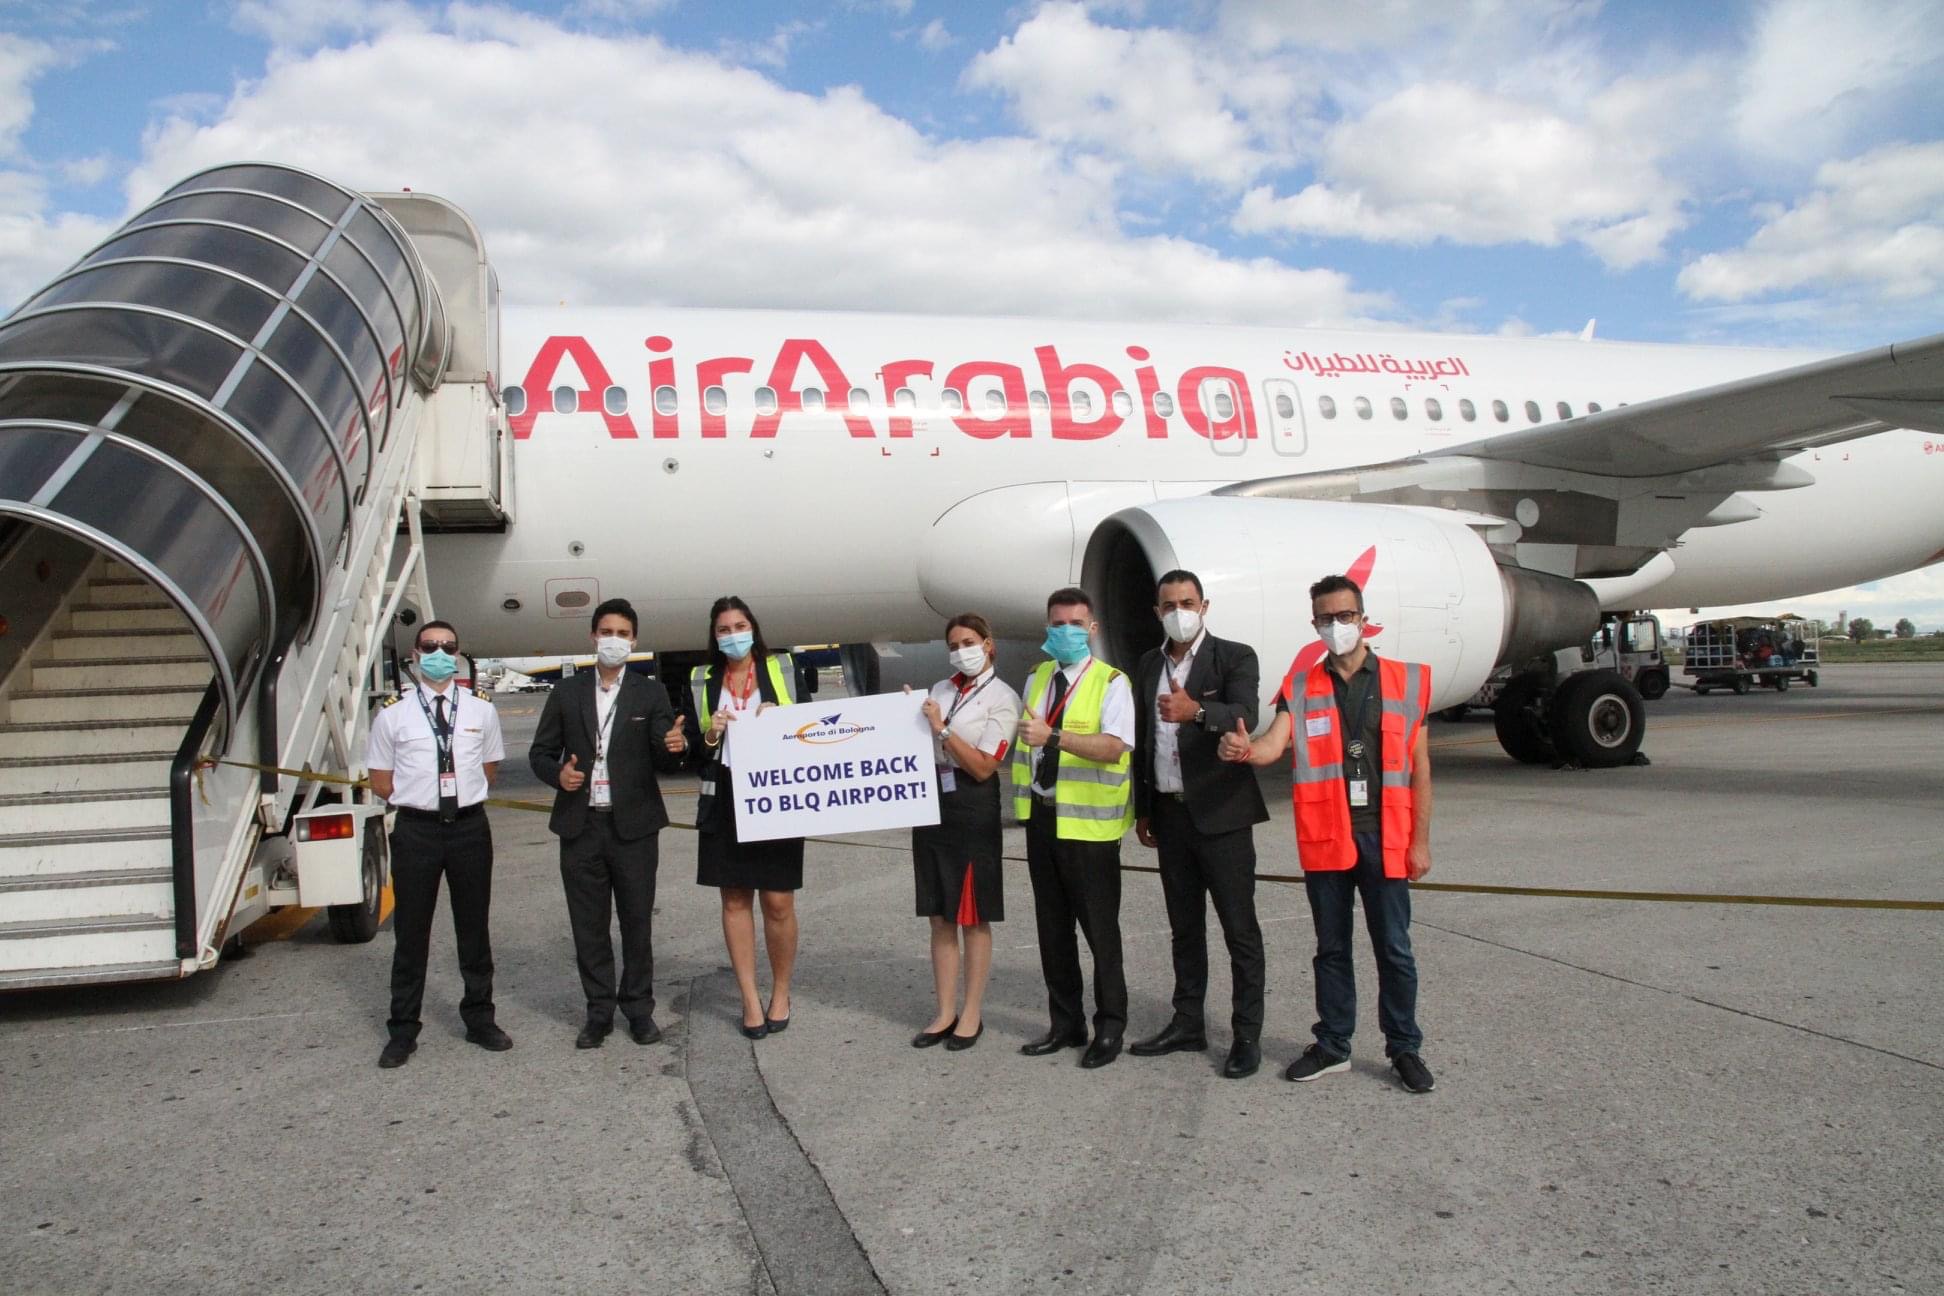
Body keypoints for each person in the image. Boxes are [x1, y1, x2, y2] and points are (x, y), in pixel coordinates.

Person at [1219, 573, 1437, 1094]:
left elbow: (1420, 769)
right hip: (1328, 838)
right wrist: (1245, 750)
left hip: (1386, 836)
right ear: (1313, 623)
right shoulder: (1300, 687)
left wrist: (1420, 841)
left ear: (1363, 619)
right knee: (1331, 949)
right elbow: (1274, 746)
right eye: (1326, 618)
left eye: (1345, 616)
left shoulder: (1406, 681)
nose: (1337, 625)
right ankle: (1334, 1044)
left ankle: (1404, 1047)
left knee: (1395, 949)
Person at [1129, 570, 1270, 1080]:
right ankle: (1187, 1022)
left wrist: (1196, 712)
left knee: (1239, 930)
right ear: (1157, 612)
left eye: (1187, 603)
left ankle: (1246, 1034)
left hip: (1222, 815)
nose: (1179, 613)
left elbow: (1245, 712)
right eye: (1169, 605)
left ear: (1204, 606)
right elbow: (1145, 737)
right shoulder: (1149, 663)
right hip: (1170, 814)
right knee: (1184, 928)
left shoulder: (1234, 656)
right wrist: (1144, 807)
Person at [528, 598, 688, 1049]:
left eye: (622, 634)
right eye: (606, 632)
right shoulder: (567, 693)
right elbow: (540, 753)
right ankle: (598, 1012)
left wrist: (675, 746)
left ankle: (638, 1009)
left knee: (637, 923)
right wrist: (558, 775)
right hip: (581, 825)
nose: (613, 640)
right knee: (589, 926)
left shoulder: (649, 693)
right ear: (593, 637)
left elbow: (664, 754)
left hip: (633, 827)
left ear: (634, 641)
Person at [367, 619, 509, 1069]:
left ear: (459, 654)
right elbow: (381, 780)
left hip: (469, 828)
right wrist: (423, 800)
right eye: (431, 646)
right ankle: (403, 1030)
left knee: (474, 929)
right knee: (411, 933)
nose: (440, 654)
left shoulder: (481, 709)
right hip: (417, 831)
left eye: (449, 646)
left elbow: (489, 769)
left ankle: (480, 1019)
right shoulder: (393, 713)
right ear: (415, 654)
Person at [1012, 587, 1136, 1069]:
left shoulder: (1111, 682)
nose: (1065, 631)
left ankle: (1110, 1026)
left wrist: (1056, 737)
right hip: (1044, 817)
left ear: (1092, 628)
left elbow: (1114, 746)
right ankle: (1065, 1023)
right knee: (1053, 930)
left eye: (1075, 624)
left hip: (1089, 827)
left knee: (1100, 932)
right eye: (1057, 623)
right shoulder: (1037, 677)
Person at [683, 596, 803, 1040]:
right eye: (724, 629)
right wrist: (711, 734)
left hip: (776, 793)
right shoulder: (701, 679)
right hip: (726, 794)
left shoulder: (781, 668)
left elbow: (812, 729)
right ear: (714, 636)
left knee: (778, 902)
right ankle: (750, 999)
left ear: (753, 628)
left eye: (739, 626)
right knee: (734, 899)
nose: (733, 635)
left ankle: (781, 992)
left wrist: (782, 720)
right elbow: (692, 751)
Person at [908, 614, 1021, 1053]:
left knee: (973, 914)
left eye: (969, 642)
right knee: (940, 914)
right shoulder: (941, 689)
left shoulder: (1003, 697)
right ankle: (944, 1011)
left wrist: (942, 729)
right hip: (933, 802)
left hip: (973, 804)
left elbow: (984, 766)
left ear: (988, 644)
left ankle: (971, 1012)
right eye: (954, 645)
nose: (961, 651)